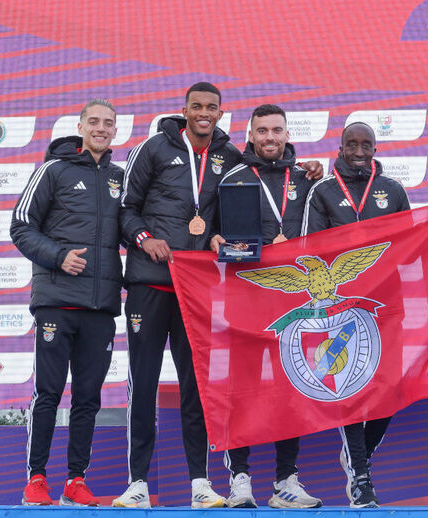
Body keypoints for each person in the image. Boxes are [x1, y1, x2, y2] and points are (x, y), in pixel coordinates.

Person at [114, 82, 242, 509]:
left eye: (212, 107)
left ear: (221, 113)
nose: (204, 113)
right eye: (197, 107)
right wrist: (144, 237)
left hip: (197, 290)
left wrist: (221, 236)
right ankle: (136, 484)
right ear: (184, 110)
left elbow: (238, 211)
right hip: (150, 283)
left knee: (197, 388)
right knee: (144, 385)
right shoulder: (152, 149)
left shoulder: (229, 157)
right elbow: (125, 210)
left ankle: (201, 483)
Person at [11, 99, 123, 506]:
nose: (100, 128)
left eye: (108, 123)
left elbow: (136, 228)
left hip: (101, 308)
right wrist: (58, 256)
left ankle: (76, 481)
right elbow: (21, 225)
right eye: (93, 121)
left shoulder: (119, 178)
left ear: (115, 131)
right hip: (57, 303)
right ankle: (36, 479)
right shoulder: (52, 170)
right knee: (49, 393)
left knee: (88, 398)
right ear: (80, 126)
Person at [210, 104, 323, 509]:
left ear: (287, 132)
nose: (270, 137)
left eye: (277, 129)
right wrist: (214, 240)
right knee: (242, 390)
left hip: (295, 302)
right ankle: (240, 478)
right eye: (262, 131)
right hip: (246, 298)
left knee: (290, 389)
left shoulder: (308, 181)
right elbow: (212, 232)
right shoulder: (233, 178)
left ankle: (285, 481)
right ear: (251, 134)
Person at [300, 121, 411, 508]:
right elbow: (310, 252)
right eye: (352, 144)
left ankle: (356, 455)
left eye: (367, 144)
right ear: (341, 147)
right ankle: (361, 477)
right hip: (342, 310)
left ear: (376, 148)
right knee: (349, 389)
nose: (359, 151)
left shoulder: (393, 191)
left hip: (385, 306)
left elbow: (411, 245)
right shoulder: (324, 191)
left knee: (389, 392)